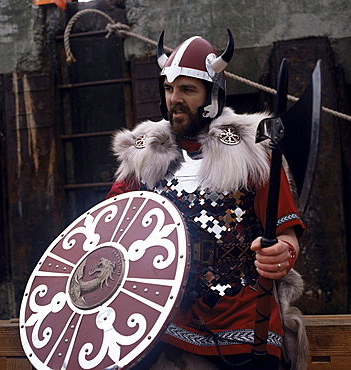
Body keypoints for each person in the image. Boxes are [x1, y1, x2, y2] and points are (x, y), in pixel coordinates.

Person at [106, 29, 308, 370]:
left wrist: (282, 254)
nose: (175, 99)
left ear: (212, 94)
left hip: (242, 317)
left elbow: (286, 234)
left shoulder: (253, 150)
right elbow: (110, 227)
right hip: (160, 319)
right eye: (170, 89)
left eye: (187, 89)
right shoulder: (142, 154)